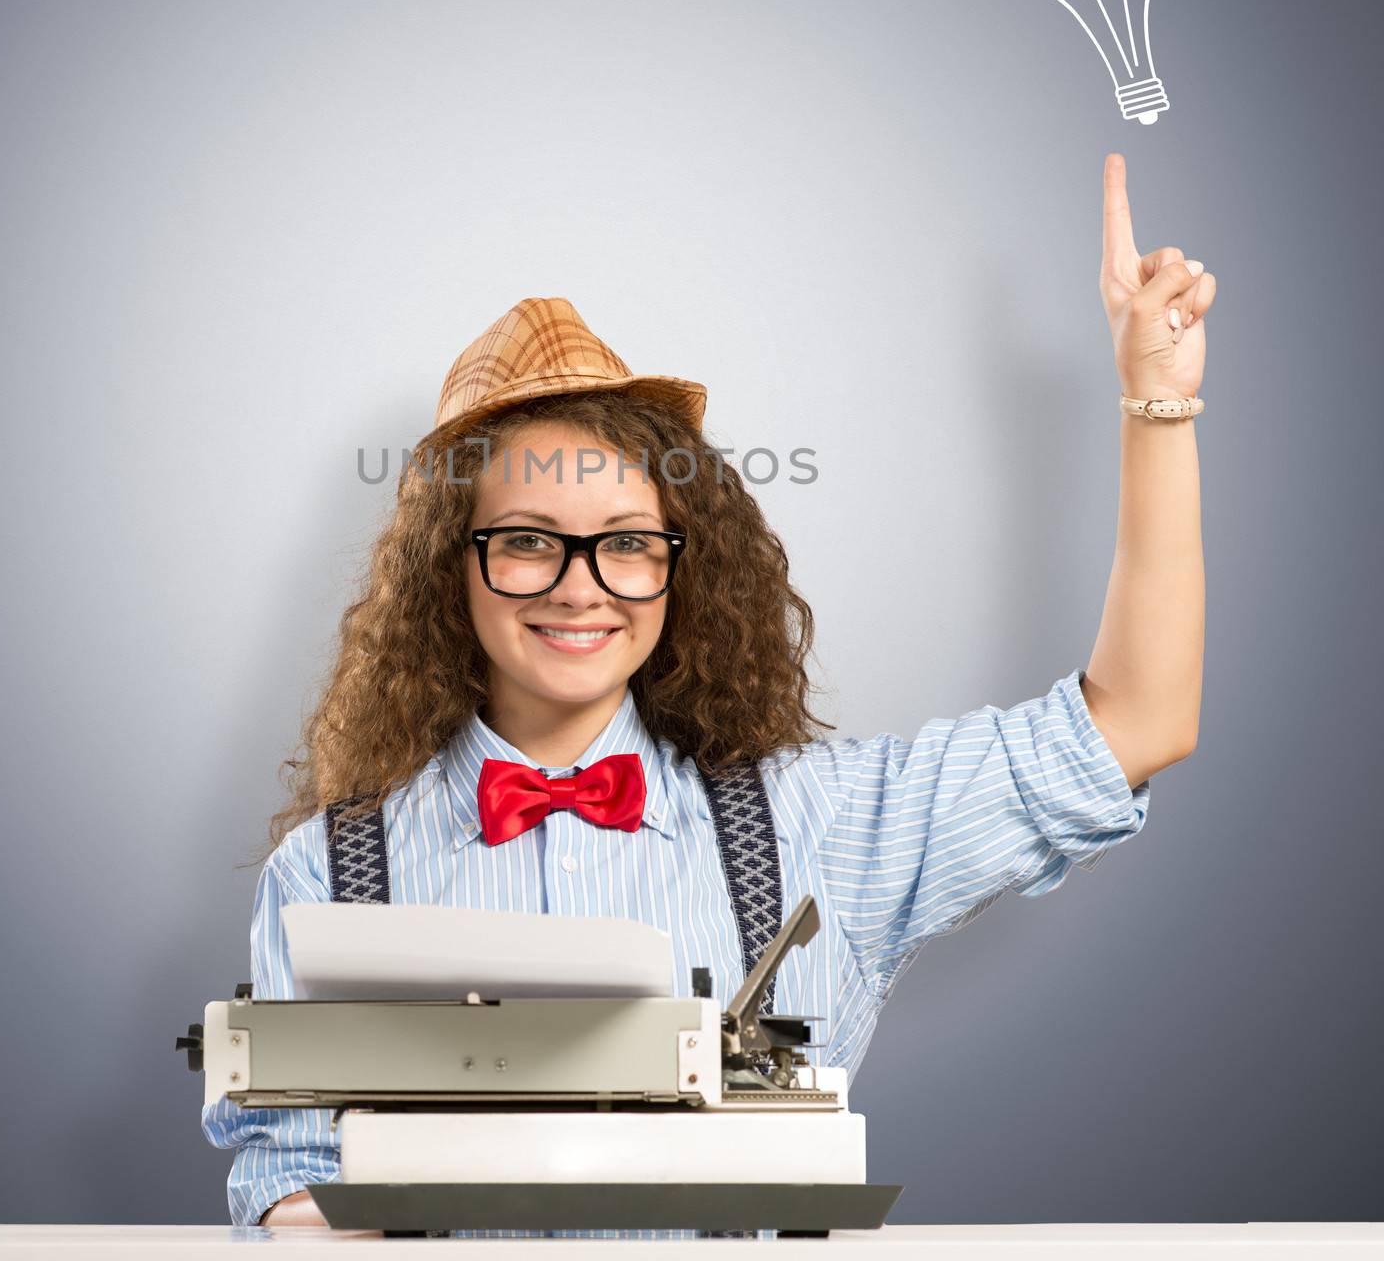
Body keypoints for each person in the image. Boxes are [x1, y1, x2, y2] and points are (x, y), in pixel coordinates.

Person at [200, 152, 1213, 1236]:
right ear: (453, 567)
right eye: (529, 542)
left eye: (627, 545)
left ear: (683, 566)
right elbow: (289, 1184)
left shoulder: (815, 824)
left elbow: (1136, 721)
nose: (580, 588)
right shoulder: (325, 873)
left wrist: (1155, 406)